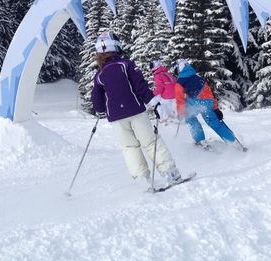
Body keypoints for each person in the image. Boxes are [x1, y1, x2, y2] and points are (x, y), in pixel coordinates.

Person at [91, 31, 183, 184]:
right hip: (135, 111)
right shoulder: (126, 65)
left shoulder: (100, 74)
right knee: (150, 141)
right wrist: (154, 103)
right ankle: (170, 172)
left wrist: (100, 110)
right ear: (117, 46)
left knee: (129, 146)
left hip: (116, 117)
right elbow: (140, 87)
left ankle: (142, 179)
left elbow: (96, 96)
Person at [174, 59, 243, 150]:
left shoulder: (180, 82)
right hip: (207, 103)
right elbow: (209, 94)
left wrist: (180, 113)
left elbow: (180, 100)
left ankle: (200, 140)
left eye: (176, 71)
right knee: (215, 123)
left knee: (190, 117)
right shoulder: (199, 78)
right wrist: (215, 109)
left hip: (196, 103)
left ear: (179, 70)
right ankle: (233, 143)